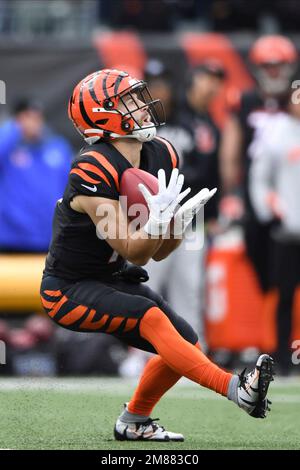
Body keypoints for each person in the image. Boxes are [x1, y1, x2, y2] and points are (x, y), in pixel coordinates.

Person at [40, 69, 274, 442]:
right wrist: (155, 224)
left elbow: (158, 254)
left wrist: (176, 225)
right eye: (129, 100)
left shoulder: (160, 153)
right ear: (103, 114)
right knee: (149, 316)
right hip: (68, 288)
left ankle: (135, 420)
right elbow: (134, 250)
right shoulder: (92, 167)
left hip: (114, 277)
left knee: (185, 339)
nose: (143, 105)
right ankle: (236, 389)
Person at [146, 61, 226, 341]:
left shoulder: (191, 122)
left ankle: (193, 350)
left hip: (189, 219)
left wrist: (212, 212)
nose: (159, 91)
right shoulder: (137, 126)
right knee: (147, 286)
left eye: (163, 85)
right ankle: (138, 352)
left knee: (189, 289)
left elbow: (207, 172)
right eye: (152, 85)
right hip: (150, 219)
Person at [220, 35, 298, 292]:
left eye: (279, 65)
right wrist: (231, 193)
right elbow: (230, 152)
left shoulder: (296, 100)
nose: (274, 72)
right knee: (263, 262)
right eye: (268, 66)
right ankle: (276, 323)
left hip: (294, 190)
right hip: (256, 194)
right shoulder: (244, 101)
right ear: (256, 68)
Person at [249, 92, 300, 375]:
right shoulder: (277, 134)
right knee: (285, 296)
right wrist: (272, 208)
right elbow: (260, 177)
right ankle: (282, 356)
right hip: (288, 230)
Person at [0, 99, 73, 252]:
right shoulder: (7, 148)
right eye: (27, 117)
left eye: (37, 117)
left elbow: (71, 186)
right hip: (11, 241)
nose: (33, 123)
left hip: (48, 240)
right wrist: (14, 129)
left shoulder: (58, 147)